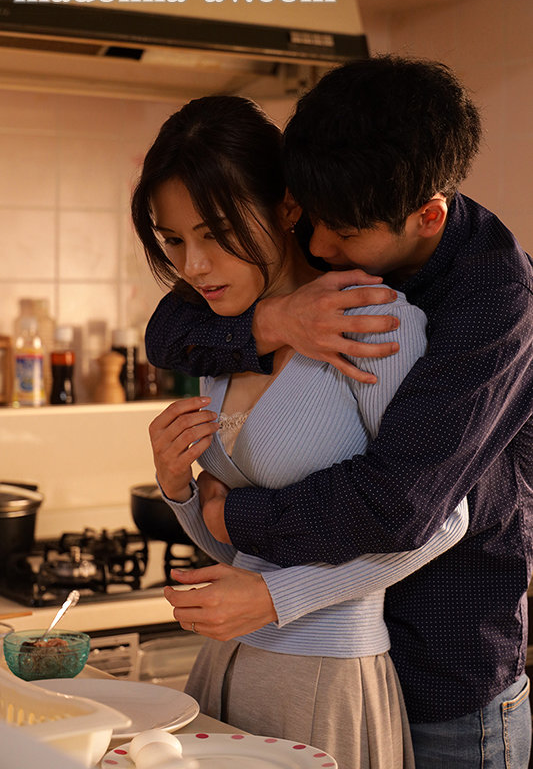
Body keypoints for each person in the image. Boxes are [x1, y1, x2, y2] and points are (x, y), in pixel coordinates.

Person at [144, 56, 533, 769]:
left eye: (343, 233)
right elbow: (167, 329)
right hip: (281, 654)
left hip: (444, 666)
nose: (320, 249)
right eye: (308, 217)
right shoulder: (315, 252)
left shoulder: (489, 306)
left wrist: (241, 530)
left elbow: (410, 508)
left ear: (427, 216)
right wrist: (273, 322)